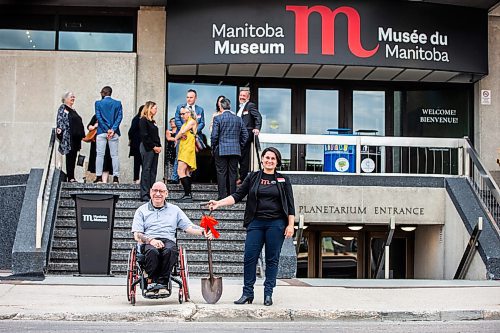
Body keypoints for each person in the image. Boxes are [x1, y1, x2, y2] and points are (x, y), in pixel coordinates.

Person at [208, 147, 295, 307]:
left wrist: (290, 225)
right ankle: (247, 293)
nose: (269, 161)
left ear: (277, 161)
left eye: (273, 158)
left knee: (272, 259)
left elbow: (290, 205)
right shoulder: (253, 177)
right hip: (256, 223)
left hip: (276, 224)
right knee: (249, 258)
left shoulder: (283, 180)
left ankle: (268, 293)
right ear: (262, 159)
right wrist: (218, 203)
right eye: (267, 158)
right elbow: (237, 196)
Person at [131, 181, 211, 290]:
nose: (158, 194)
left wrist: (203, 231)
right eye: (155, 190)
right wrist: (151, 241)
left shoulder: (175, 210)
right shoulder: (141, 210)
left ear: (166, 194)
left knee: (170, 250)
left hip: (168, 240)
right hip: (149, 241)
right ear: (150, 192)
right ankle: (151, 280)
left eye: (161, 191)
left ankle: (162, 281)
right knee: (152, 251)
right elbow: (137, 235)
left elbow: (188, 226)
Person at [211, 97, 248, 200]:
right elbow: (245, 135)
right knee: (233, 173)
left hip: (221, 149)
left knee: (221, 173)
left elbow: (214, 136)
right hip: (235, 150)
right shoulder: (238, 119)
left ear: (221, 106)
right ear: (229, 106)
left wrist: (214, 147)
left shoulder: (218, 118)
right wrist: (239, 145)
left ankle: (222, 196)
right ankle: (233, 196)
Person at [172, 89, 205, 184]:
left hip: (192, 139)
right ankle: (175, 178)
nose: (189, 99)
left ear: (195, 98)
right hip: (182, 137)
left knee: (189, 160)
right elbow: (177, 120)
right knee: (179, 157)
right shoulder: (180, 107)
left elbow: (202, 123)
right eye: (187, 97)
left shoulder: (200, 109)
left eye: (191, 97)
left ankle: (189, 181)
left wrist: (192, 132)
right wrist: (183, 131)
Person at [95, 86, 123, 184]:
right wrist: (113, 129)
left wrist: (107, 130)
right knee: (114, 155)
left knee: (100, 155)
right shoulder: (118, 103)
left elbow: (98, 117)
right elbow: (120, 117)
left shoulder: (98, 103)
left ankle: (98, 177)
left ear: (103, 93)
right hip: (114, 132)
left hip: (102, 131)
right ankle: (116, 177)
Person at [56, 91, 85, 182]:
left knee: (73, 156)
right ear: (65, 99)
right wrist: (59, 129)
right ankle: (70, 177)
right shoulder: (63, 108)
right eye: (71, 97)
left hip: (76, 137)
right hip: (68, 137)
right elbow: (60, 119)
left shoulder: (73, 110)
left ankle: (72, 176)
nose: (73, 98)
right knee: (70, 157)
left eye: (73, 97)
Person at [237, 88, 262, 185]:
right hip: (240, 136)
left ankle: (243, 179)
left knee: (244, 158)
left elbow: (258, 117)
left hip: (246, 135)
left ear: (248, 97)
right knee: (241, 157)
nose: (242, 97)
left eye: (244, 95)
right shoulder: (240, 108)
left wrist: (257, 128)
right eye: (241, 95)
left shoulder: (250, 105)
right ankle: (242, 177)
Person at [139, 101, 162, 202]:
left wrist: (159, 146)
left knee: (153, 171)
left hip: (155, 148)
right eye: (154, 108)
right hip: (148, 148)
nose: (156, 110)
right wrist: (153, 146)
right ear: (149, 108)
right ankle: (144, 194)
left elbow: (156, 136)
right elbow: (144, 136)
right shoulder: (143, 120)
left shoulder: (153, 121)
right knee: (146, 169)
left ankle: (151, 192)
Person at [174, 107, 198, 202]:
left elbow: (182, 132)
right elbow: (181, 133)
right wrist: (178, 136)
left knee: (180, 171)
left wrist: (177, 137)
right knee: (186, 172)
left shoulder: (191, 121)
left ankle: (187, 194)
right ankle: (188, 195)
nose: (182, 116)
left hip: (187, 150)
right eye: (181, 114)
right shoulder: (186, 123)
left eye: (183, 113)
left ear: (189, 113)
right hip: (184, 148)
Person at [86, 115, 113, 183]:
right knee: (97, 159)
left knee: (106, 161)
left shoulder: (110, 116)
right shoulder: (96, 116)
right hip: (96, 142)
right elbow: (89, 126)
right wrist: (95, 126)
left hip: (107, 142)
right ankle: (99, 178)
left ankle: (104, 180)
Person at [128, 105, 144, 184]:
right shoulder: (137, 119)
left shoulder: (138, 119)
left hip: (140, 143)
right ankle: (137, 178)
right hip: (137, 143)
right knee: (138, 162)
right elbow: (131, 131)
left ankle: (139, 179)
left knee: (140, 162)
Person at [165, 118, 177, 183]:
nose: (172, 123)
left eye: (173, 121)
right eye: (171, 121)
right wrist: (176, 138)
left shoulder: (179, 131)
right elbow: (168, 138)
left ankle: (176, 178)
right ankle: (169, 178)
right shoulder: (168, 131)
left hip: (176, 148)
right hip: (170, 149)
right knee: (170, 163)